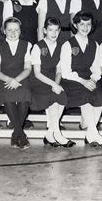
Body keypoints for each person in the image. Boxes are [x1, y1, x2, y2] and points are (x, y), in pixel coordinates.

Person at [60, 11, 102, 148]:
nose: (85, 27)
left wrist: (93, 80)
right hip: (72, 80)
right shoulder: (67, 45)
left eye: (88, 24)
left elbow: (96, 68)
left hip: (89, 79)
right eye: (81, 24)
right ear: (75, 25)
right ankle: (95, 133)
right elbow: (65, 72)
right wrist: (83, 82)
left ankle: (90, 135)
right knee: (86, 94)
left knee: (99, 94)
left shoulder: (95, 44)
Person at [30, 17, 74, 148]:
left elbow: (59, 71)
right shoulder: (38, 47)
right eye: (50, 30)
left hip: (53, 78)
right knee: (53, 97)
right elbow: (37, 73)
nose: (53, 33)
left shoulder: (61, 47)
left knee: (61, 95)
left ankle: (50, 134)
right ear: (44, 30)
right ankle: (58, 134)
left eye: (56, 30)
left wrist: (56, 84)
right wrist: (53, 85)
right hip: (38, 80)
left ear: (60, 31)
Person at [0, 17, 32, 149]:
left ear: (20, 31)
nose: (13, 33)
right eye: (9, 30)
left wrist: (16, 80)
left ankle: (15, 135)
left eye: (16, 30)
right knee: (8, 96)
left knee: (25, 95)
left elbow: (28, 68)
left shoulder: (27, 45)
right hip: (3, 78)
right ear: (4, 31)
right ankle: (21, 135)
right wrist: (9, 80)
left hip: (21, 77)